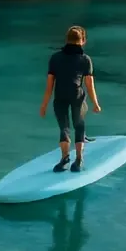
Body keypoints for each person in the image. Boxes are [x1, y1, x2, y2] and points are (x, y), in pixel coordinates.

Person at [39, 25, 102, 173]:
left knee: (64, 128)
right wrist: (96, 104)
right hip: (76, 96)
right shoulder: (85, 59)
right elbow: (89, 85)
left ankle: (64, 159)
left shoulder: (55, 58)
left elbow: (49, 86)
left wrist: (44, 105)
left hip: (60, 96)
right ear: (83, 41)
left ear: (66, 40)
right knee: (79, 126)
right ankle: (78, 161)